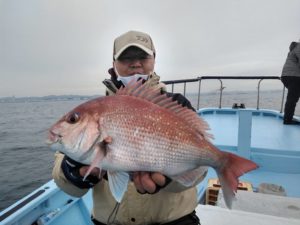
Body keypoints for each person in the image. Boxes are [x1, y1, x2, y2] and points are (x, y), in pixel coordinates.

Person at [52, 30, 207, 225]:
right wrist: (72, 171)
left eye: (143, 56)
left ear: (154, 59)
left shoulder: (176, 105)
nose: (135, 63)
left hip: (174, 220)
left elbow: (199, 171)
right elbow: (67, 186)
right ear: (114, 63)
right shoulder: (93, 111)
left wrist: (171, 176)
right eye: (126, 58)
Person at [281, 40, 300, 125]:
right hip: (294, 76)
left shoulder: (293, 49)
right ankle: (287, 120)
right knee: (292, 99)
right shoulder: (299, 47)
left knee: (292, 98)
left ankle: (287, 119)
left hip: (286, 76)